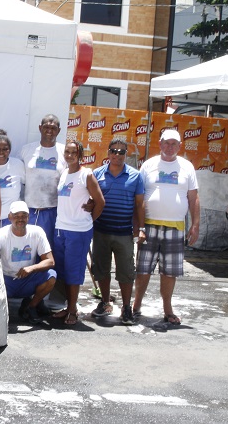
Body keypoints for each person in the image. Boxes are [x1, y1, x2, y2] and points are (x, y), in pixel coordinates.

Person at [132, 129, 200, 326]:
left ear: (179, 146)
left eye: (174, 144)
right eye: (166, 143)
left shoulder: (187, 167)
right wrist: (138, 225)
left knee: (170, 272)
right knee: (143, 268)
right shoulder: (148, 165)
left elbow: (193, 198)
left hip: (175, 226)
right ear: (160, 144)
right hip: (149, 225)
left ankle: (167, 309)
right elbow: (139, 197)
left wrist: (195, 225)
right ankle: (136, 306)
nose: (170, 147)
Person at [89, 139, 145, 325]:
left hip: (124, 233)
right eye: (114, 151)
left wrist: (141, 229)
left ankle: (126, 307)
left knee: (126, 272)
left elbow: (139, 204)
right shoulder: (97, 174)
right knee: (101, 270)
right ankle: (105, 303)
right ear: (108, 152)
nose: (117, 155)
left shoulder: (135, 176)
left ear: (126, 154)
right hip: (101, 232)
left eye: (121, 152)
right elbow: (92, 201)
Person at [52, 140, 105, 325]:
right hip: (61, 228)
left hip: (78, 231)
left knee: (74, 272)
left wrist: (89, 220)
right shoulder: (64, 173)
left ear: (80, 155)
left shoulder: (86, 175)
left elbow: (100, 201)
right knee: (63, 270)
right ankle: (68, 306)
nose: (69, 155)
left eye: (74, 152)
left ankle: (73, 310)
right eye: (67, 152)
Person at [0, 201, 56, 324]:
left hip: (27, 279)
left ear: (28, 217)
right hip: (6, 280)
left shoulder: (37, 232)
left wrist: (31, 268)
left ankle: (31, 306)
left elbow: (50, 261)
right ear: (9, 217)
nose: (20, 219)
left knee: (51, 276)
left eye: (23, 216)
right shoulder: (1, 234)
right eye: (16, 216)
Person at [19, 114, 66, 248]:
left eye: (53, 128)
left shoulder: (64, 151)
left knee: (48, 249)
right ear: (40, 128)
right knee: (27, 248)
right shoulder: (26, 150)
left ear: (59, 130)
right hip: (29, 211)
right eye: (46, 127)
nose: (49, 131)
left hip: (52, 211)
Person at [0, 129, 25, 227]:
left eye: (5, 149)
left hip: (12, 219)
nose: (1, 152)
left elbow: (28, 185)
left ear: (10, 150)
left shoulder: (18, 165)